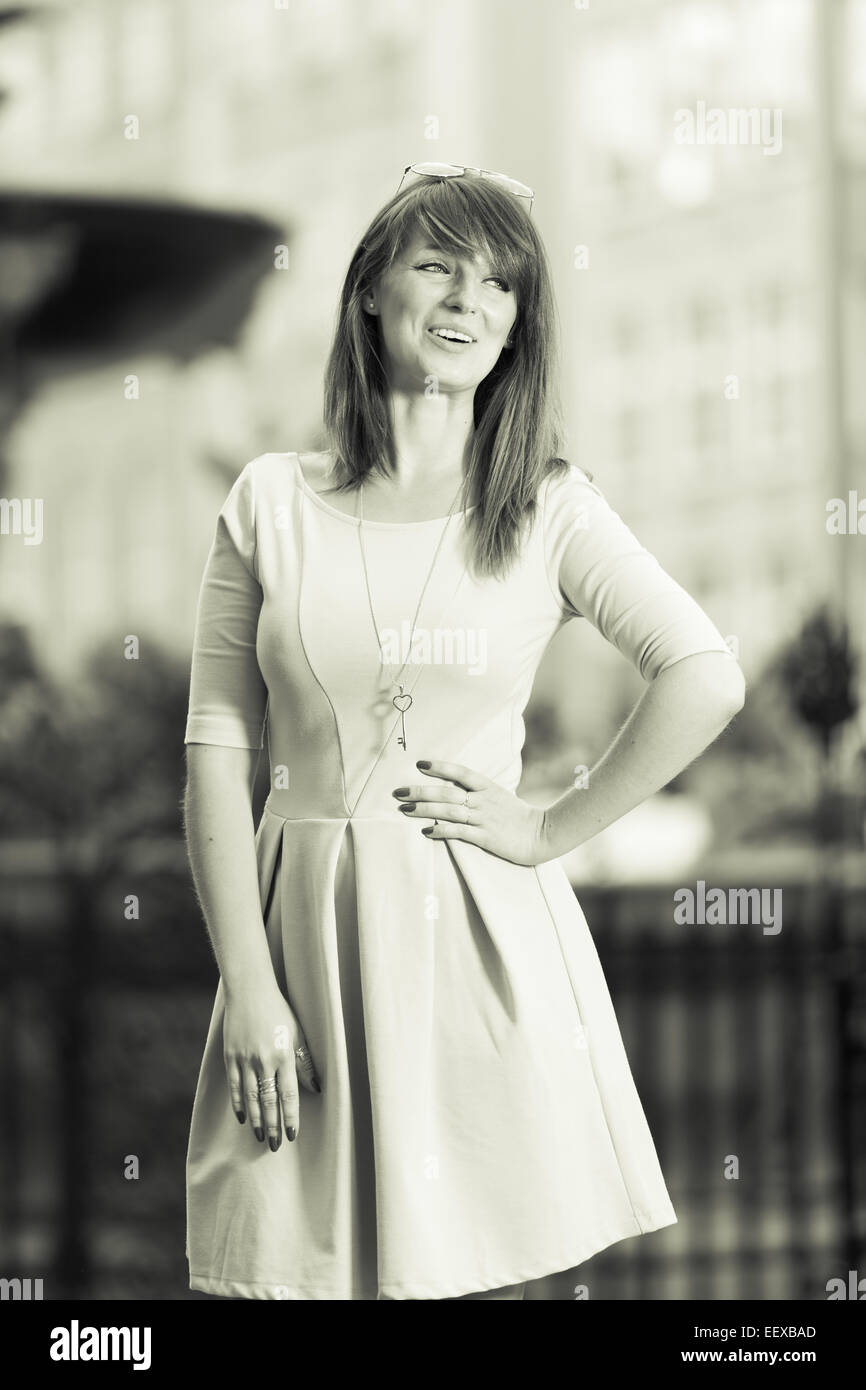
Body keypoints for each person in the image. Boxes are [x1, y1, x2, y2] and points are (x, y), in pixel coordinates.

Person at [182, 162, 745, 1302]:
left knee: (485, 1278)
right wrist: (247, 982)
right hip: (300, 951)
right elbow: (213, 752)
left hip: (481, 947)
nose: (467, 300)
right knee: (287, 1276)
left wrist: (547, 827)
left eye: (499, 285)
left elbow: (703, 672)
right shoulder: (268, 504)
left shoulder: (547, 508)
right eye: (437, 264)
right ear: (369, 296)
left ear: (513, 330)